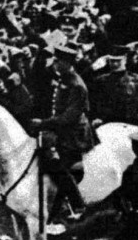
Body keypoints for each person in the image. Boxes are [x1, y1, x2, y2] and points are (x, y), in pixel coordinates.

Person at [30, 45, 94, 223]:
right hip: (63, 129)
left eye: (58, 61)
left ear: (67, 63)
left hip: (74, 134)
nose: (54, 64)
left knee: (57, 165)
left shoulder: (76, 85)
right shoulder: (64, 78)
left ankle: (77, 203)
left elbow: (69, 117)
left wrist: (43, 123)